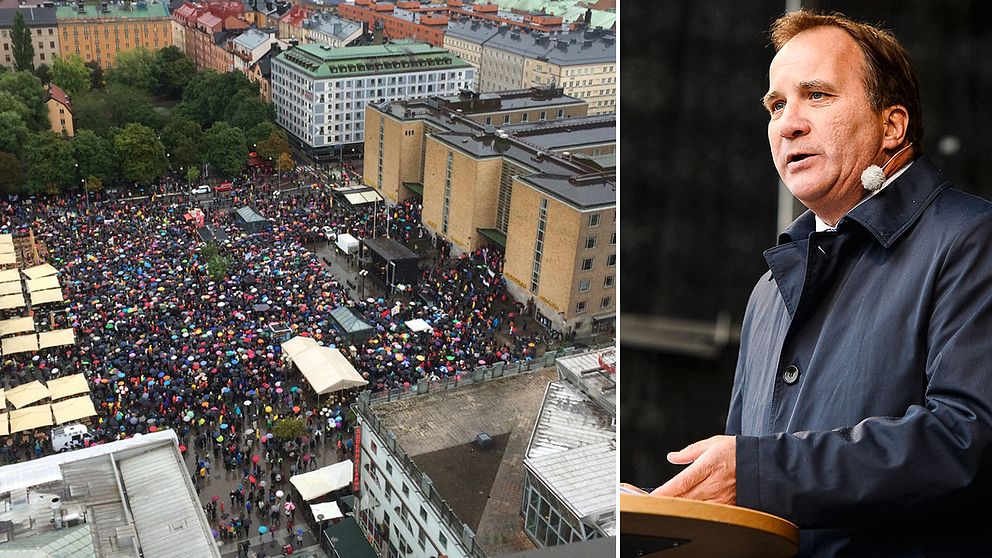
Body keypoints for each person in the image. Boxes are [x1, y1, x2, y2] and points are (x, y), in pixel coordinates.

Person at [652, 10, 992, 557]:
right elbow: (745, 497)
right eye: (777, 104)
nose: (788, 123)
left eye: (817, 95)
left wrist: (758, 474)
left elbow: (968, 439)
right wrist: (666, 511)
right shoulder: (769, 291)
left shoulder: (972, 240)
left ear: (892, 126)